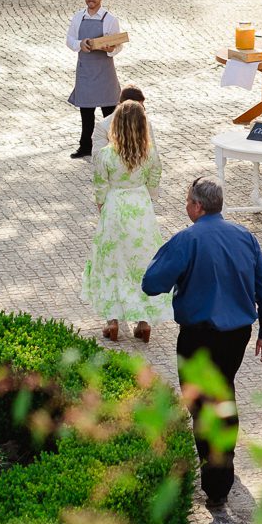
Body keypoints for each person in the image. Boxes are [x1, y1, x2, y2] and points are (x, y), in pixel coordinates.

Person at [142, 176, 262, 510]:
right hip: (236, 335)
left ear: (198, 206)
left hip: (198, 335)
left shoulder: (187, 239)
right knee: (223, 390)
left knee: (202, 403)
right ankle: (224, 464)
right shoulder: (244, 236)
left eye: (188, 201)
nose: (186, 206)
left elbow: (151, 283)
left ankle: (217, 481)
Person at [82, 99, 167, 344]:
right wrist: (147, 198)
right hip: (140, 207)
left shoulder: (106, 155)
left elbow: (99, 185)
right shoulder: (149, 153)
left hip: (115, 206)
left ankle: (113, 321)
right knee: (142, 261)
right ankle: (143, 322)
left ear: (115, 125)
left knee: (112, 262)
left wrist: (103, 207)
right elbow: (155, 177)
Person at [66, 0, 123, 158]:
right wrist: (80, 44)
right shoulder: (77, 18)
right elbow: (70, 40)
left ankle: (115, 147)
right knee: (86, 112)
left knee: (110, 114)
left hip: (105, 72)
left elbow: (119, 45)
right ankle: (85, 146)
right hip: (85, 71)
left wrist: (110, 49)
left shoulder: (110, 19)